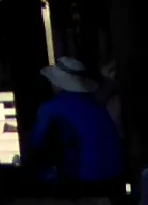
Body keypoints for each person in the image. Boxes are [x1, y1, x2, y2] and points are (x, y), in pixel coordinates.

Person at [26, 56, 124, 186]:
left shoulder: (50, 108)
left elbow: (36, 144)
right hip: (115, 176)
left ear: (57, 83)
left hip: (85, 182)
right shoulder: (93, 103)